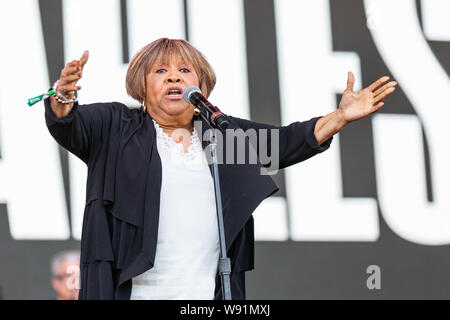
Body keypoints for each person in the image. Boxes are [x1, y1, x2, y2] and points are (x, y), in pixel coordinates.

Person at [44, 38, 396, 300]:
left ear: (201, 84)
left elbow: (287, 141)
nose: (173, 78)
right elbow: (69, 124)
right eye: (161, 71)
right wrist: (63, 95)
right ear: (141, 83)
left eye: (184, 71)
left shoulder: (221, 135)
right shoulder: (115, 126)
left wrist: (340, 117)